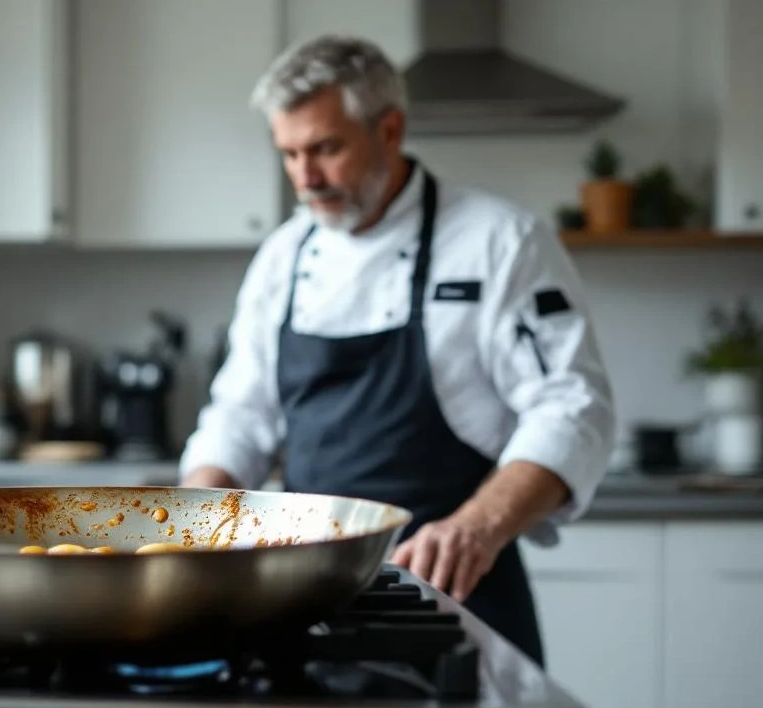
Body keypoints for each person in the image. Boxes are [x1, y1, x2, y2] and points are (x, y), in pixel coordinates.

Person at [177, 35, 616, 667]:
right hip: (302, 600)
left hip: (455, 593)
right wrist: (199, 513)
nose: (306, 177)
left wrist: (478, 527)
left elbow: (573, 406)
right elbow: (242, 415)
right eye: (290, 154)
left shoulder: (500, 242)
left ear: (389, 130)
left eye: (326, 148)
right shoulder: (284, 255)